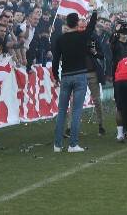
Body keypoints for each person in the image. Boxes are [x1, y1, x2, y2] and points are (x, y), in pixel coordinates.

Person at [50, 9, 97, 153]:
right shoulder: (82, 36)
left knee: (62, 111)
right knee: (76, 111)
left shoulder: (60, 39)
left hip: (65, 76)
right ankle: (73, 145)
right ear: (77, 23)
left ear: (66, 23)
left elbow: (55, 60)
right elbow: (91, 26)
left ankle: (57, 145)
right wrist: (94, 11)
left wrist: (56, 76)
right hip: (80, 75)